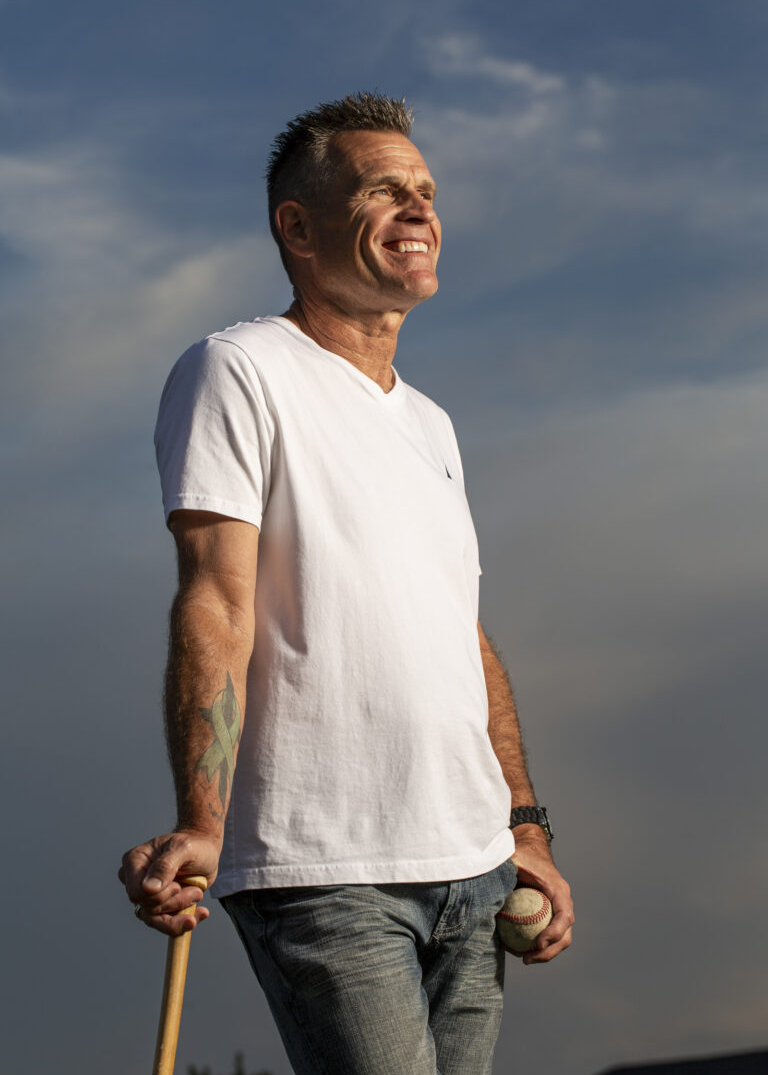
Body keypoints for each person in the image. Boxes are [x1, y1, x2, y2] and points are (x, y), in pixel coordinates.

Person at [119, 92, 573, 1075]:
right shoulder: (238, 370)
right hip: (325, 870)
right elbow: (216, 599)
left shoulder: (430, 425)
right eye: (384, 190)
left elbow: (463, 633)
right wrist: (202, 819)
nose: (420, 210)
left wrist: (523, 829)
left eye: (426, 192)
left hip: (474, 867)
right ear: (298, 225)